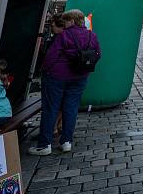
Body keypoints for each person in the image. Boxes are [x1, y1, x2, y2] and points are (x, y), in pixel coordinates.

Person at [29, 9, 100, 156]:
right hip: (80, 77)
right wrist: (84, 66)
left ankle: (44, 145)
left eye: (67, 20)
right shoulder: (91, 35)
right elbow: (98, 54)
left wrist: (44, 70)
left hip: (57, 76)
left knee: (51, 109)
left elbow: (51, 56)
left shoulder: (64, 35)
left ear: (72, 21)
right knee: (71, 109)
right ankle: (66, 141)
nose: (65, 24)